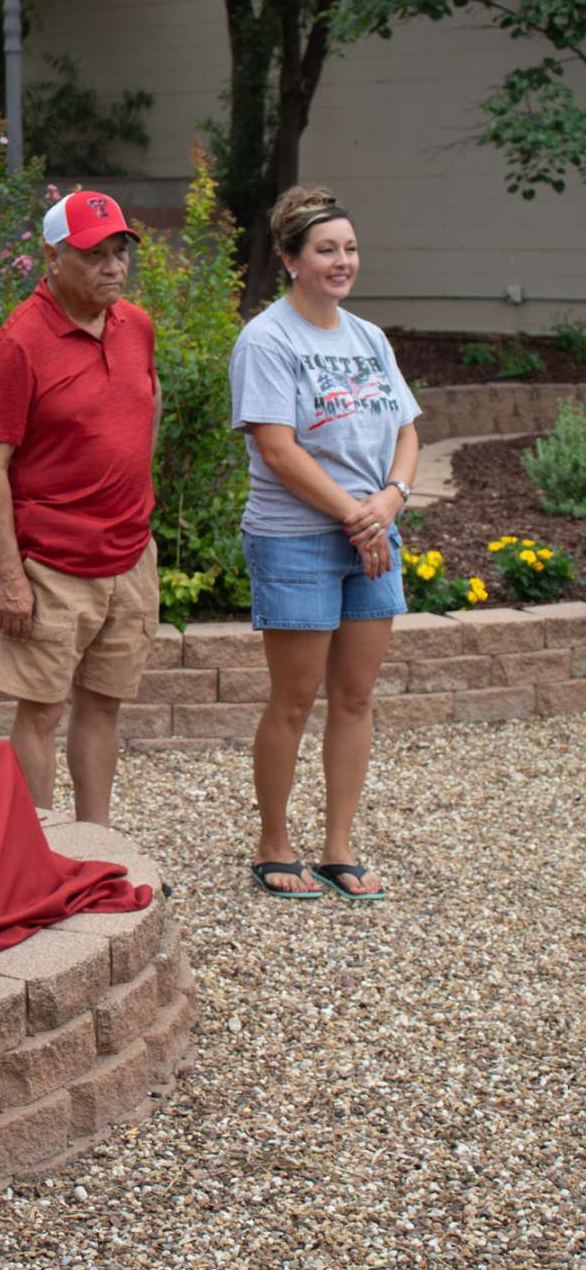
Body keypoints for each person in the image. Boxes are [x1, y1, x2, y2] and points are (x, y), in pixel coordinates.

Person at [229, 183, 420, 902]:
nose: (343, 261)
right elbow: (278, 450)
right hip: (297, 539)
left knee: (356, 698)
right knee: (294, 699)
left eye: (350, 248)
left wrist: (391, 499)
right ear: (291, 260)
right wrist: (359, 516)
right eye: (326, 250)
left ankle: (339, 846)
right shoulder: (268, 339)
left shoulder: (367, 337)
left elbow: (406, 429)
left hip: (371, 532)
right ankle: (273, 840)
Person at [0, 190, 161, 827]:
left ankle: (96, 845)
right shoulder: (18, 346)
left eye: (118, 252)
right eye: (93, 255)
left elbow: (146, 408)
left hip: (131, 556)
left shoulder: (136, 326)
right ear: (51, 258)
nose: (113, 267)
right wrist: (11, 577)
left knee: (104, 704)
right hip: (52, 564)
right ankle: (41, 854)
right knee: (42, 711)